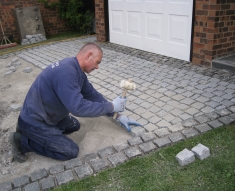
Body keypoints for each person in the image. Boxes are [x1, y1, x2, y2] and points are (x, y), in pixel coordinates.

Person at [10, 42, 140, 163]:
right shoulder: (66, 72)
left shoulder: (77, 71)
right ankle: (22, 141)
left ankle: (43, 134)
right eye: (97, 62)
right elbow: (77, 108)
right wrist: (111, 105)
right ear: (89, 55)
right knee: (70, 151)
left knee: (74, 125)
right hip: (34, 121)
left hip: (48, 115)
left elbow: (92, 95)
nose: (97, 67)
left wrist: (116, 115)